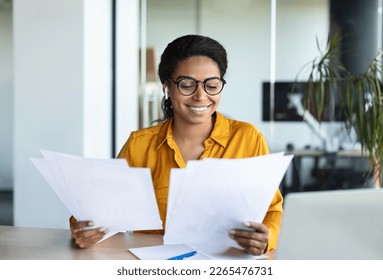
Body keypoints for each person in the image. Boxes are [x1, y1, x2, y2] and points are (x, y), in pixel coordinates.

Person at [70, 34, 283, 256]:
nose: (201, 96)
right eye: (187, 84)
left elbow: (272, 209)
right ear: (167, 88)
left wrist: (266, 238)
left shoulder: (248, 138)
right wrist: (84, 229)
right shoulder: (140, 145)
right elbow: (102, 207)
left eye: (212, 85)